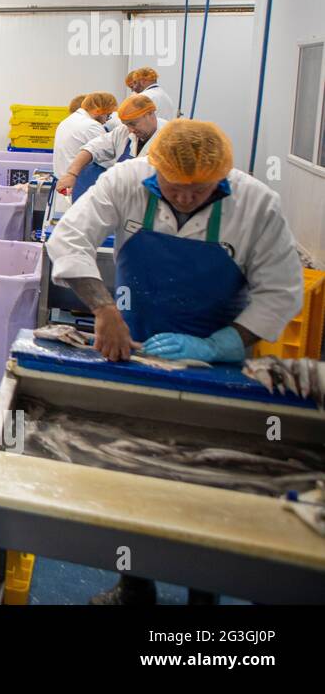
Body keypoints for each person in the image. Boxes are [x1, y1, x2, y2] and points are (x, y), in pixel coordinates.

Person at [46, 120, 301, 605]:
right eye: (173, 186)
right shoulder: (125, 181)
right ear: (154, 168)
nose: (185, 197)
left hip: (217, 363)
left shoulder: (256, 204)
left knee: (207, 484)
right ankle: (134, 586)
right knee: (128, 475)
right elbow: (69, 240)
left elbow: (281, 293)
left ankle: (202, 597)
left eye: (198, 189)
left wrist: (218, 345)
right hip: (133, 346)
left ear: (222, 177)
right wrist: (103, 308)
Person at [57, 93, 166, 202]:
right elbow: (92, 148)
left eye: (133, 124)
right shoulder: (123, 131)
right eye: (127, 125)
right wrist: (71, 174)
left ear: (150, 113)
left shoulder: (170, 136)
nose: (131, 130)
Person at [54, 92, 117, 181]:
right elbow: (108, 160)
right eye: (108, 115)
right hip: (79, 182)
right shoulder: (92, 126)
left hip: (64, 180)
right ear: (100, 111)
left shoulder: (68, 121)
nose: (107, 120)